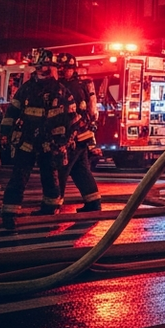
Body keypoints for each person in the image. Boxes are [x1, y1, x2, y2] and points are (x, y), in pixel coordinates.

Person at [0, 49, 72, 230]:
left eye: (44, 66)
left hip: (50, 142)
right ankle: (9, 212)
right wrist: (5, 132)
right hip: (28, 140)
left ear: (52, 67)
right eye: (39, 66)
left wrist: (65, 139)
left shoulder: (61, 90)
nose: (41, 69)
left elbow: (72, 117)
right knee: (19, 176)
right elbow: (12, 111)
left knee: (50, 175)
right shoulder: (27, 88)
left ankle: (50, 209)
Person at [55, 53, 102, 213]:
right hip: (82, 135)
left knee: (60, 168)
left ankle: (53, 203)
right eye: (60, 68)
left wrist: (66, 137)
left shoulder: (72, 87)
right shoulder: (72, 84)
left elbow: (69, 114)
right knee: (80, 169)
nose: (62, 71)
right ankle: (93, 202)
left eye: (66, 68)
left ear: (73, 69)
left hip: (73, 136)